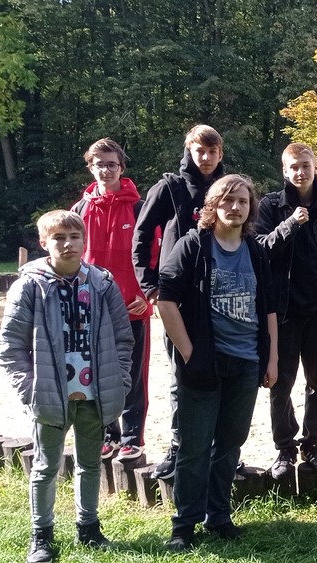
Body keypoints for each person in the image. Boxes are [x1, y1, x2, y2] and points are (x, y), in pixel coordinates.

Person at [0, 210, 134, 563]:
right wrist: (29, 389)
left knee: (90, 463)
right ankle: (41, 534)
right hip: (49, 393)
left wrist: (119, 379)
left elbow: (123, 338)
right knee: (46, 466)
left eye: (75, 237)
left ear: (84, 240)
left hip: (94, 393)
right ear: (44, 242)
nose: (68, 244)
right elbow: (11, 347)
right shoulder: (30, 286)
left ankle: (88, 527)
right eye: (59, 238)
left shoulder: (102, 284)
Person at [156, 174, 278, 551]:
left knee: (230, 443)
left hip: (247, 363)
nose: (235, 207)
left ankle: (219, 516)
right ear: (213, 205)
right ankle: (184, 524)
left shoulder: (255, 250)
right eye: (227, 200)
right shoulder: (193, 246)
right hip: (204, 363)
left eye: (242, 201)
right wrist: (189, 352)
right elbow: (166, 301)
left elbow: (270, 308)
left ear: (250, 208)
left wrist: (271, 358)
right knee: (194, 447)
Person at [132, 124, 226, 481]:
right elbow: (141, 236)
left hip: (221, 293)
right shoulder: (169, 187)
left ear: (220, 153)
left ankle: (221, 449)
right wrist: (150, 286)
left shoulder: (227, 189)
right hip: (178, 297)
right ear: (189, 150)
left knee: (222, 373)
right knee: (180, 375)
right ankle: (178, 447)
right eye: (200, 150)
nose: (206, 157)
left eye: (212, 151)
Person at [254, 143, 317, 479]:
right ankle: (285, 447)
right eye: (293, 167)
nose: (300, 172)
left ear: (315, 166)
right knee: (280, 384)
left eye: (305, 165)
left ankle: (312, 442)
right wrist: (290, 225)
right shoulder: (270, 206)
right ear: (285, 171)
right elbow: (260, 249)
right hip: (282, 313)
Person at [71, 138, 150, 462]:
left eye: (111, 164)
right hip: (91, 309)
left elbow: (154, 256)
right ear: (90, 167)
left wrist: (146, 295)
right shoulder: (79, 211)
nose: (106, 170)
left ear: (122, 167)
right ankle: (108, 435)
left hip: (132, 308)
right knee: (96, 373)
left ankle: (132, 438)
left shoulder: (140, 208)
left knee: (133, 377)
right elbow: (70, 259)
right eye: (99, 164)